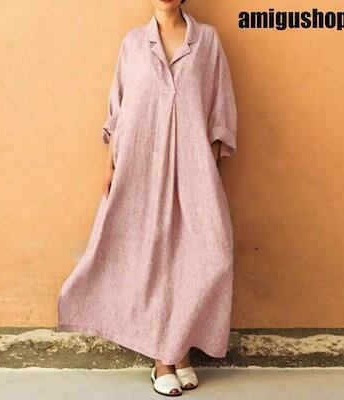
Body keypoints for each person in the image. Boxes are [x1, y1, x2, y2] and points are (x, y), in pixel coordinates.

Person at [57, 0, 237, 396]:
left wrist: (208, 167)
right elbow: (120, 107)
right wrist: (111, 164)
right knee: (150, 258)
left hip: (193, 166)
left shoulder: (207, 41)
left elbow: (219, 107)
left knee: (210, 256)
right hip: (139, 165)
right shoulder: (133, 43)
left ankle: (178, 349)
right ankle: (164, 360)